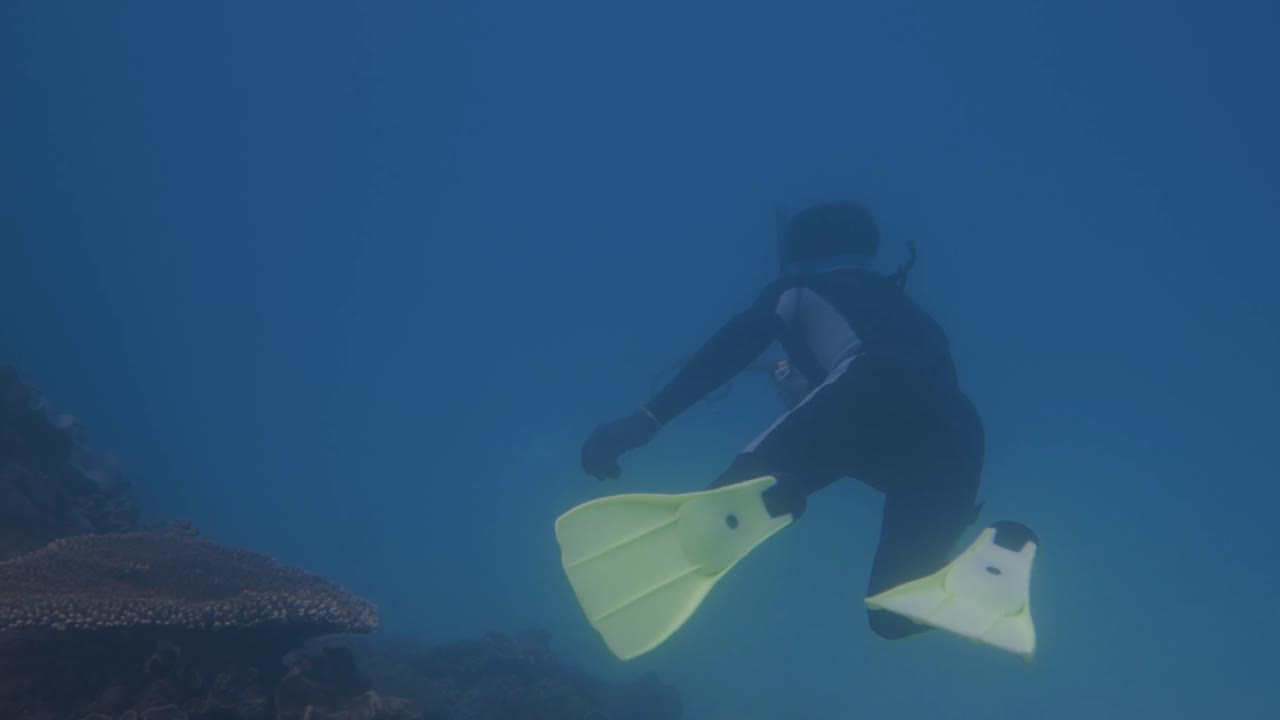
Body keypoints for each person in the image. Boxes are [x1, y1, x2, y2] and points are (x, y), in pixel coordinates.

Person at [559, 201, 1036, 661]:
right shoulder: (907, 310)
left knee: (724, 510)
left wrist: (645, 421)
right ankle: (1001, 552)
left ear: (798, 251)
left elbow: (741, 340)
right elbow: (888, 415)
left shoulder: (799, 286)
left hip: (868, 386)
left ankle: (776, 497)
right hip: (958, 430)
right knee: (899, 608)